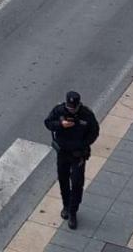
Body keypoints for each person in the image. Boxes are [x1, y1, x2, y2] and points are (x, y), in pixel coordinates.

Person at [44, 90, 101, 230]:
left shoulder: (86, 114)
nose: (71, 110)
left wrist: (82, 145)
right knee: (63, 180)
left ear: (78, 105)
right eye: (69, 108)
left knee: (76, 183)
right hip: (63, 152)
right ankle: (66, 205)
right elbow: (48, 123)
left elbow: (94, 132)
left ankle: (73, 211)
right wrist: (60, 124)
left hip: (78, 155)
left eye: (73, 108)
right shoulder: (59, 111)